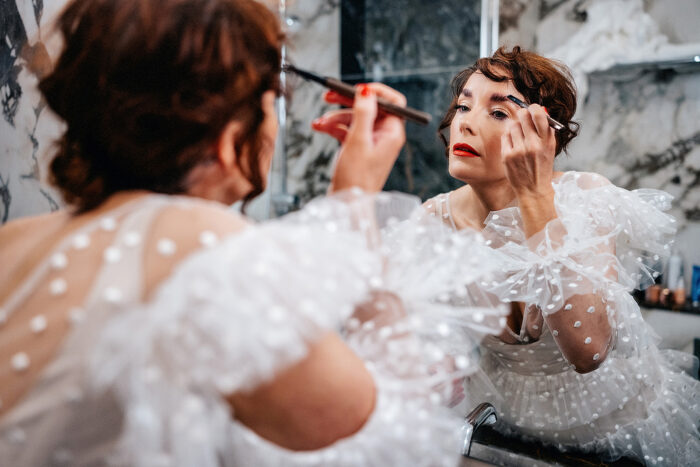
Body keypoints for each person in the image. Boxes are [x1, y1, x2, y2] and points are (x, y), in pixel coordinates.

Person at [0, 1, 506, 465]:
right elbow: (373, 427)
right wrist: (354, 202)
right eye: (269, 103)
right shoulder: (202, 243)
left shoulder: (15, 241)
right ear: (228, 135)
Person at [424, 46, 700, 465]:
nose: (466, 123)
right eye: (463, 106)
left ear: (545, 133)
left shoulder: (587, 198)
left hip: (617, 430)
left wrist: (536, 198)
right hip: (508, 433)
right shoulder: (434, 220)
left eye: (499, 112)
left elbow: (588, 349)